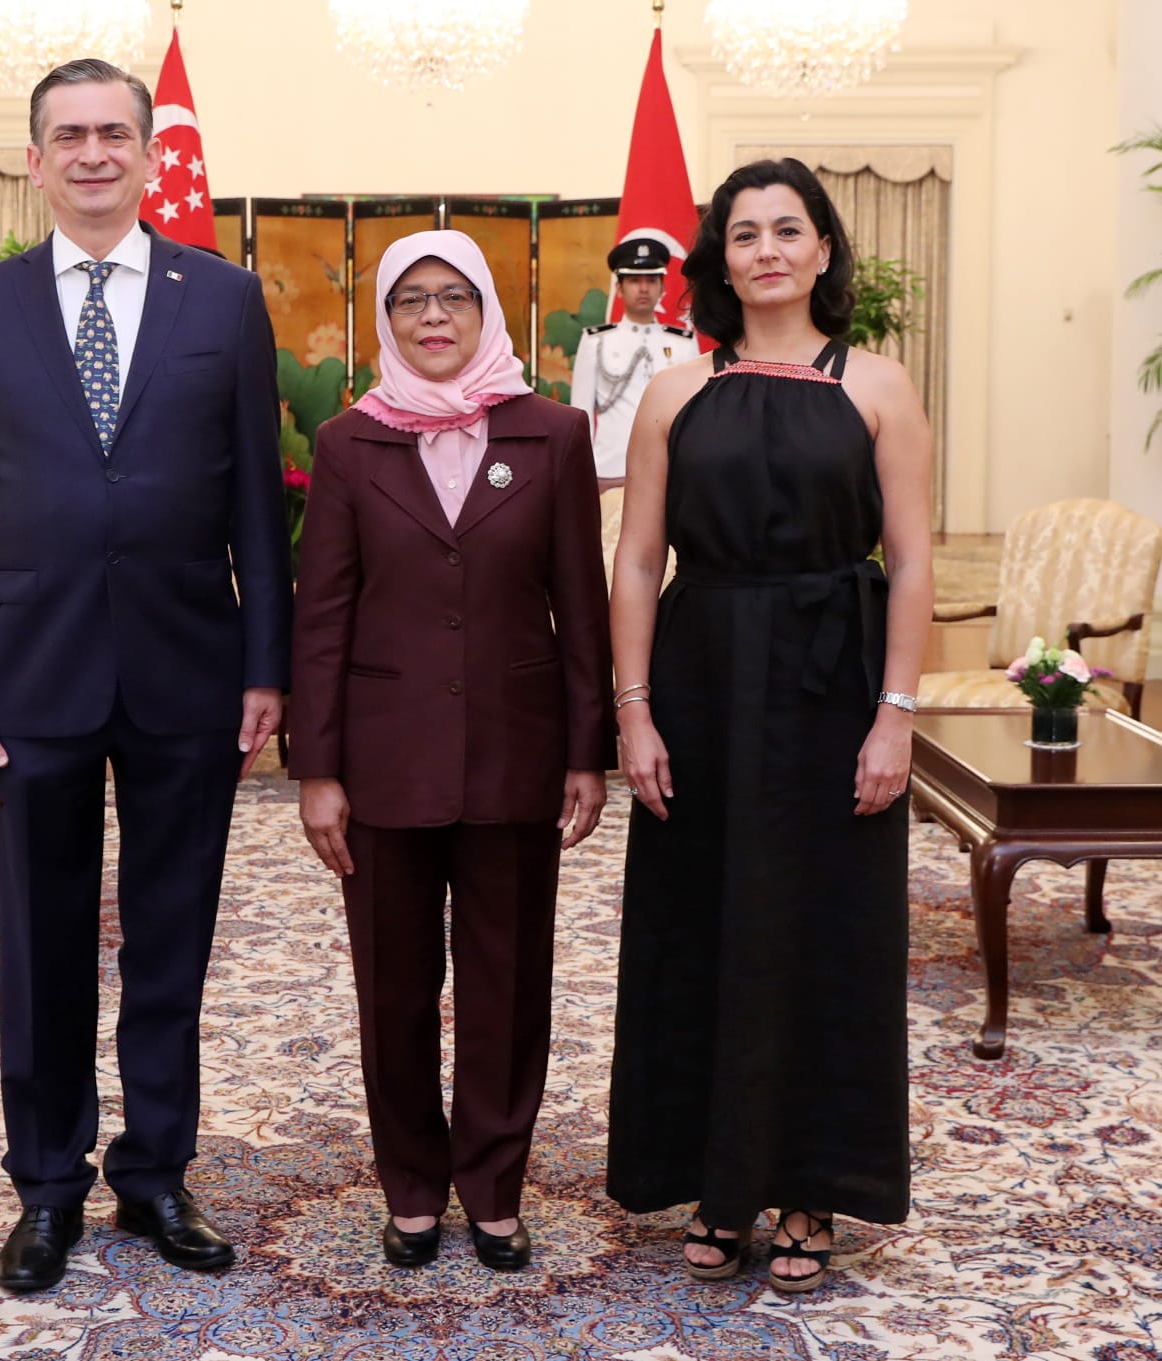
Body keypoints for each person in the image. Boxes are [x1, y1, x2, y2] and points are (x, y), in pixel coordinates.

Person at [0, 58, 293, 1291]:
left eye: (112, 134)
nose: (91, 153)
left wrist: (265, 662)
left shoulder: (225, 301)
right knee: (41, 941)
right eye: (67, 136)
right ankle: (45, 1187)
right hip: (31, 674)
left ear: (146, 154)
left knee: (171, 940)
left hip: (189, 668)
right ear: (34, 159)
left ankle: (156, 1175)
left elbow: (254, 496)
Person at [604, 158, 933, 1290]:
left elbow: (913, 562)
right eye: (743, 234)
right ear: (718, 261)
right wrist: (632, 710)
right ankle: (713, 1179)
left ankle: (809, 1187)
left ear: (824, 249)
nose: (767, 250)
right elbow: (639, 557)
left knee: (823, 934)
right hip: (698, 683)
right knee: (701, 926)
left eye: (787, 230)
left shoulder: (879, 386)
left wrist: (895, 715)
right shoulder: (673, 393)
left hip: (833, 686)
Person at [289, 230, 613, 1272]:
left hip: (515, 757)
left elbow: (582, 601)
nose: (433, 317)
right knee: (392, 985)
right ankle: (413, 1186)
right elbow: (323, 613)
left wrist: (584, 747)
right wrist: (318, 769)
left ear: (488, 313)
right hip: (383, 760)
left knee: (507, 980)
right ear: (384, 321)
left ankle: (494, 1183)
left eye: (454, 298)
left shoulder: (554, 432)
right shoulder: (349, 442)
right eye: (410, 301)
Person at [568, 237, 695, 492]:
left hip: (670, 469)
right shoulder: (595, 341)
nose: (644, 289)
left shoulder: (684, 343)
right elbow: (580, 414)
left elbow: (693, 415)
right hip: (608, 468)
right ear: (619, 287)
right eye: (635, 281)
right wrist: (584, 469)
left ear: (662, 288)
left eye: (651, 280)